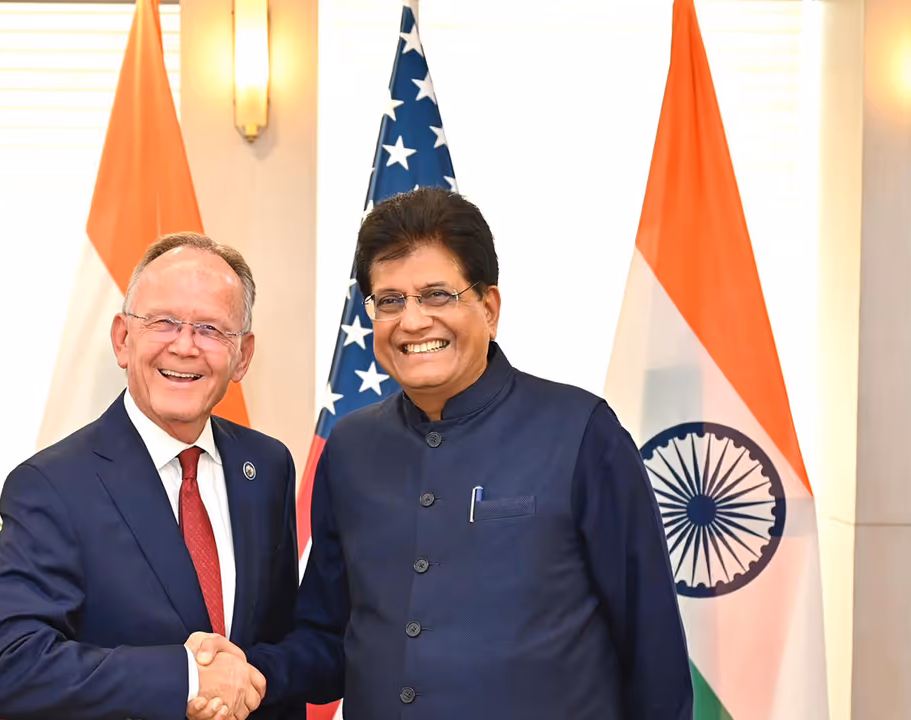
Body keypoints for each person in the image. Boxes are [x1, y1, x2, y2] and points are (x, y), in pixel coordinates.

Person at [193, 188, 693, 719]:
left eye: (437, 295)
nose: (412, 321)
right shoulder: (352, 448)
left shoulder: (583, 433)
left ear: (490, 308)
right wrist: (251, 672)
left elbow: (651, 645)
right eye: (390, 301)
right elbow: (330, 637)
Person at [0, 233, 303, 720]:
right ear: (123, 339)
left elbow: (280, 643)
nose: (185, 346)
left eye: (211, 328)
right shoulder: (51, 485)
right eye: (164, 322)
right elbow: (5, 666)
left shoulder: (268, 467)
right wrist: (188, 677)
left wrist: (244, 677)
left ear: (243, 356)